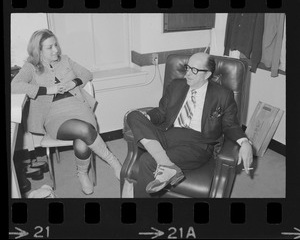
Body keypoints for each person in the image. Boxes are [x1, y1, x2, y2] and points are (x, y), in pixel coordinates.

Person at [11, 29, 122, 195]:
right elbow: (15, 85)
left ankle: (82, 174)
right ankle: (114, 162)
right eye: (50, 47)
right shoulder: (30, 67)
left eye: (56, 45)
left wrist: (74, 82)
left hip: (78, 106)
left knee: (83, 135)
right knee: (85, 130)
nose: (56, 49)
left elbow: (86, 73)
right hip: (53, 115)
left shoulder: (66, 60)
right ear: (38, 51)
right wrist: (47, 89)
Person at [127, 52, 253, 197]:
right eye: (187, 68)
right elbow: (161, 113)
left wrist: (244, 142)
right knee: (133, 115)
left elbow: (230, 125)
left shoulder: (222, 95)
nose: (187, 74)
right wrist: (148, 117)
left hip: (196, 144)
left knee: (147, 160)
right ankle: (166, 164)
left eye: (194, 70)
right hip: (167, 134)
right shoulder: (176, 86)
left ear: (207, 74)